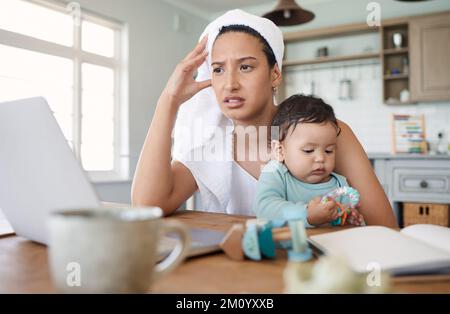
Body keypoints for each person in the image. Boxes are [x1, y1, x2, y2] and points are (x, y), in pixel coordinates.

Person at [131, 9, 397, 228]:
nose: (230, 84)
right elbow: (146, 205)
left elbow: (385, 229)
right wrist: (168, 101)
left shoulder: (329, 133)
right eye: (218, 69)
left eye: (245, 67)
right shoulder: (210, 147)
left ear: (275, 74)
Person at [253, 94, 364, 227]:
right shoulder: (276, 174)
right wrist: (307, 214)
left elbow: (346, 223)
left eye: (329, 151)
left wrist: (351, 219)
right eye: (308, 150)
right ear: (280, 151)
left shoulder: (340, 184)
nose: (321, 158)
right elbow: (264, 208)